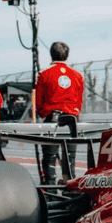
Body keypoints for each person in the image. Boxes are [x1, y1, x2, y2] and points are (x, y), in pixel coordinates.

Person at [34, 41, 84, 184]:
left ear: (51, 54)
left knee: (49, 159)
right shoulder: (77, 75)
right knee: (70, 160)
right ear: (67, 55)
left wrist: (43, 113)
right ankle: (70, 191)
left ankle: (51, 191)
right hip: (72, 120)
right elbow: (79, 101)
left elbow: (39, 102)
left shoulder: (44, 74)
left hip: (52, 120)